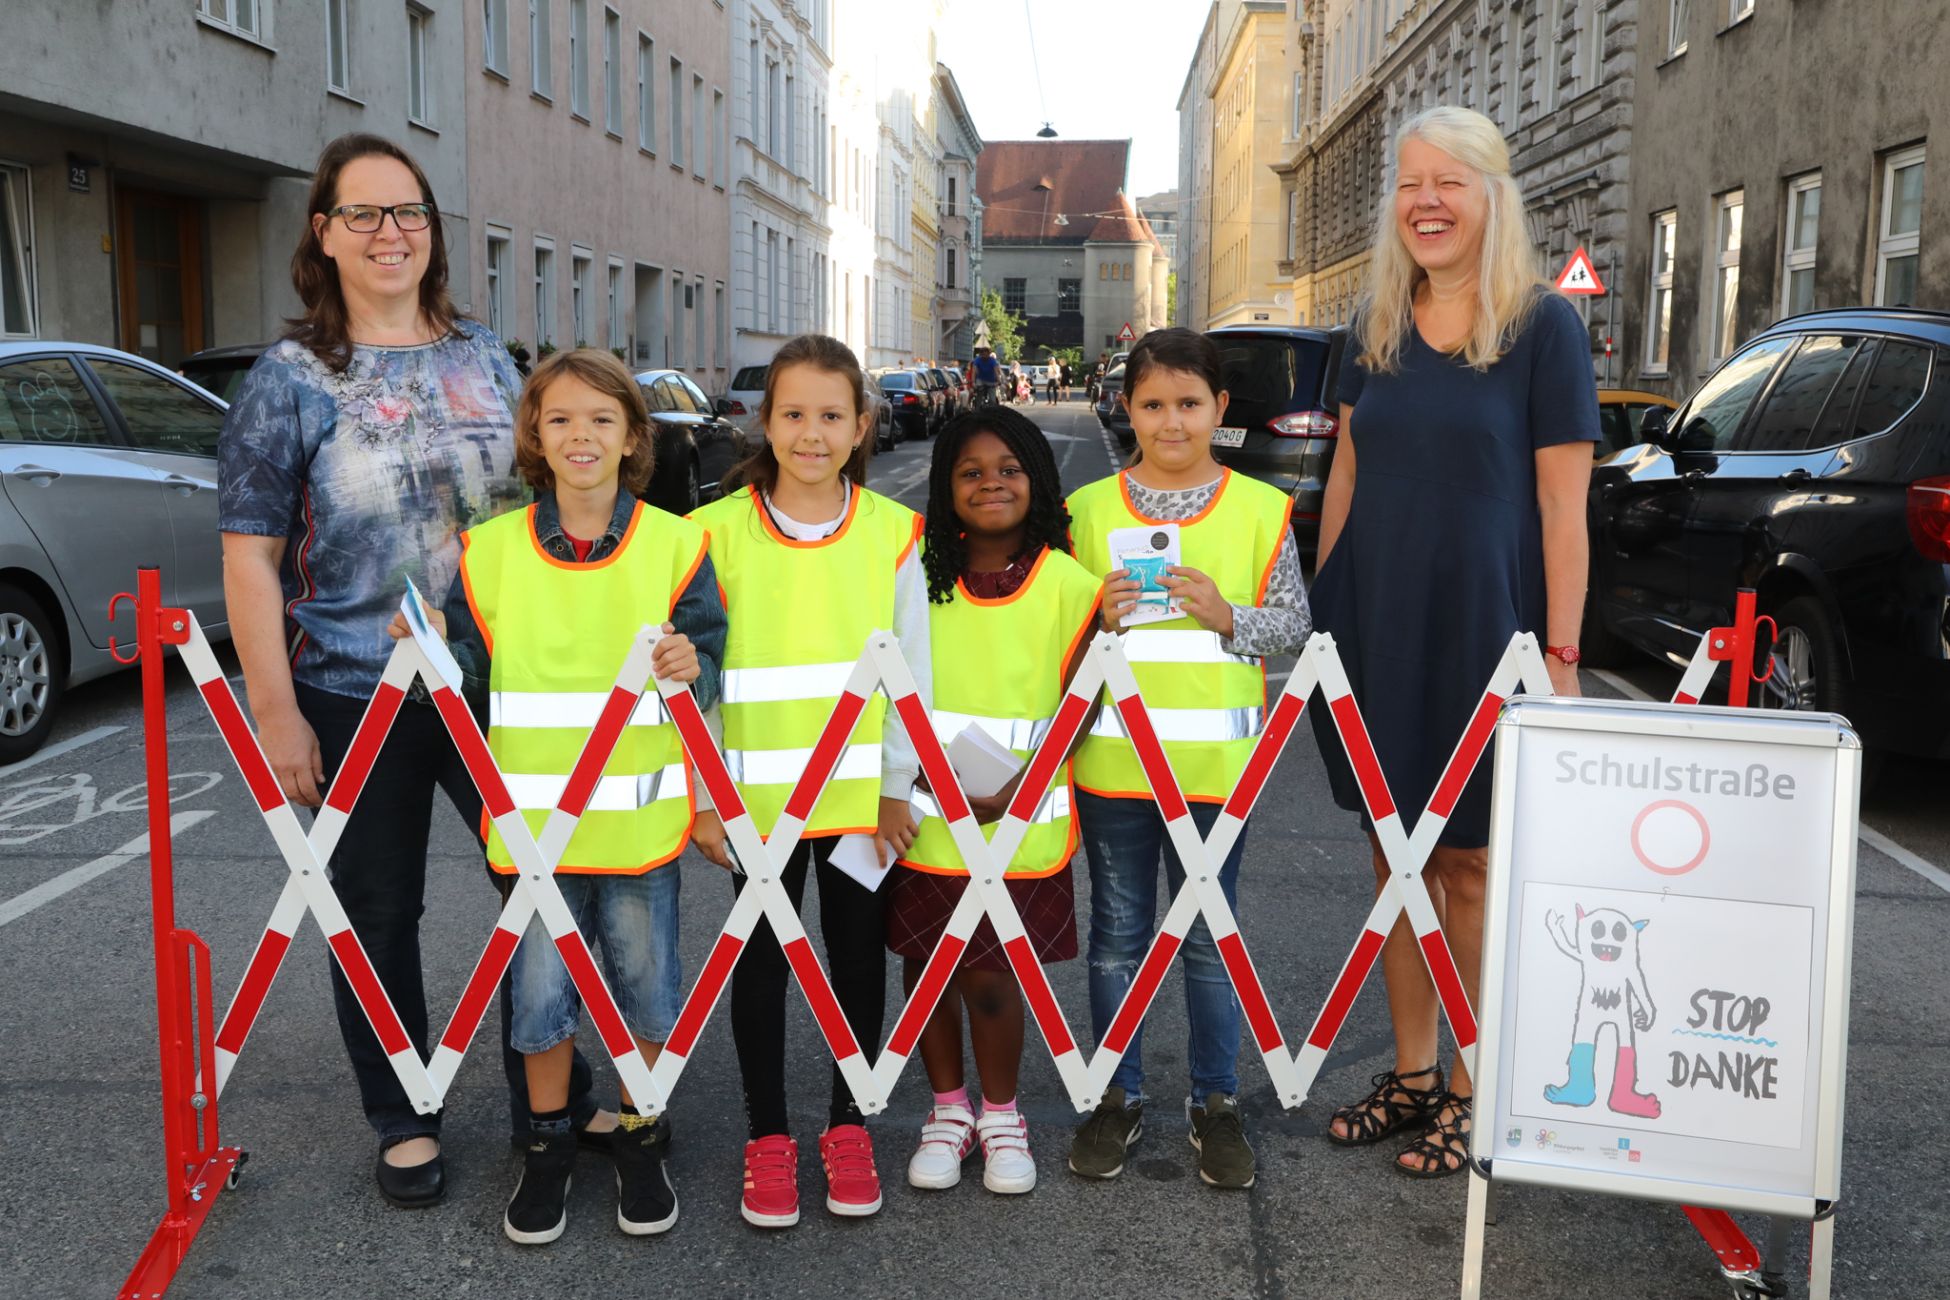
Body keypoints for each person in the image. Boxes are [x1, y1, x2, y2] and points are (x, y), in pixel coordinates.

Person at [218, 133, 607, 1209]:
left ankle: (554, 1080)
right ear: (324, 233)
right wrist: (275, 710)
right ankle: (402, 1113)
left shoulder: (487, 355)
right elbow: (248, 554)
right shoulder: (289, 381)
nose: (390, 234)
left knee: (539, 886)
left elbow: (553, 507)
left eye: (409, 213)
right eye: (365, 215)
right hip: (354, 688)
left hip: (498, 680)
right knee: (376, 910)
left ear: (431, 231)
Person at [1311, 106, 1598, 1178]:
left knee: (1470, 863)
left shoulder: (1539, 328)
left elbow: (1565, 507)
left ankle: (1475, 1088)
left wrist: (1560, 655)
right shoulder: (1374, 323)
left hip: (1488, 631)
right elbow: (1345, 472)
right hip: (1375, 623)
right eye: (1410, 182)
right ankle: (1415, 1075)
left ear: (1493, 196)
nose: (1426, 200)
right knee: (1394, 855)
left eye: (1452, 182)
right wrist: (1327, 613)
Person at [398, 349, 726, 1244]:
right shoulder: (492, 552)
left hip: (639, 825)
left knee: (648, 993)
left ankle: (640, 1135)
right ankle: (546, 1150)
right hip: (534, 828)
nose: (581, 435)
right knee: (540, 997)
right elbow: (467, 672)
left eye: (601, 420)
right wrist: (423, 650)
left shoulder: (675, 542)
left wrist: (694, 670)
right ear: (535, 439)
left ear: (632, 438)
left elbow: (710, 660)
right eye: (560, 420)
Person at [688, 333, 929, 1229]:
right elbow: (698, 681)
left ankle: (848, 1125)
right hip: (754, 803)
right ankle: (767, 1138)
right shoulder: (711, 535)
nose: (812, 433)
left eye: (832, 416)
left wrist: (898, 785)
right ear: (768, 420)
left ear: (863, 425)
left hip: (858, 798)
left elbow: (914, 675)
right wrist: (706, 795)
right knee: (760, 964)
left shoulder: (893, 532)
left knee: (856, 962)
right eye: (794, 414)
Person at [1064, 328, 1310, 1190]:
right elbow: (1052, 628)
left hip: (1214, 773)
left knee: (1210, 938)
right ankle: (1114, 1095)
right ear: (1127, 408)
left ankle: (1217, 1101)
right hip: (1114, 768)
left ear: (1220, 411)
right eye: (1154, 404)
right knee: (1119, 939)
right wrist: (1092, 615)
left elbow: (1297, 627)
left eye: (1189, 404)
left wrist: (1231, 616)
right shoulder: (1089, 509)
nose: (1172, 423)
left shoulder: (1257, 508)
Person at [892, 407, 1101, 1196]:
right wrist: (909, 776)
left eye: (1009, 470)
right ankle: (947, 1111)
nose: (990, 484)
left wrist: (1022, 786)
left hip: (1023, 820)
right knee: (928, 973)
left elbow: (1089, 700)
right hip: (928, 818)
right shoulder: (913, 576)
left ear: (1038, 482)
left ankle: (1002, 1113)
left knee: (991, 976)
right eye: (970, 471)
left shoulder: (1067, 582)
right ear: (945, 488)